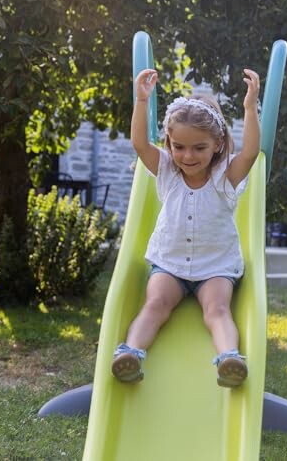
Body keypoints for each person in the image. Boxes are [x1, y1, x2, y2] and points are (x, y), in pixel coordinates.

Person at [112, 67, 261, 387]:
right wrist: (141, 100)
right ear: (169, 143)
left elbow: (249, 153)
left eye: (199, 148)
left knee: (218, 309)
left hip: (215, 267)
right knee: (155, 304)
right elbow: (139, 144)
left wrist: (250, 108)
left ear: (218, 144)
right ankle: (131, 354)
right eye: (178, 146)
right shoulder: (166, 170)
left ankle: (229, 358)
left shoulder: (225, 177)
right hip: (170, 264)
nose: (187, 155)